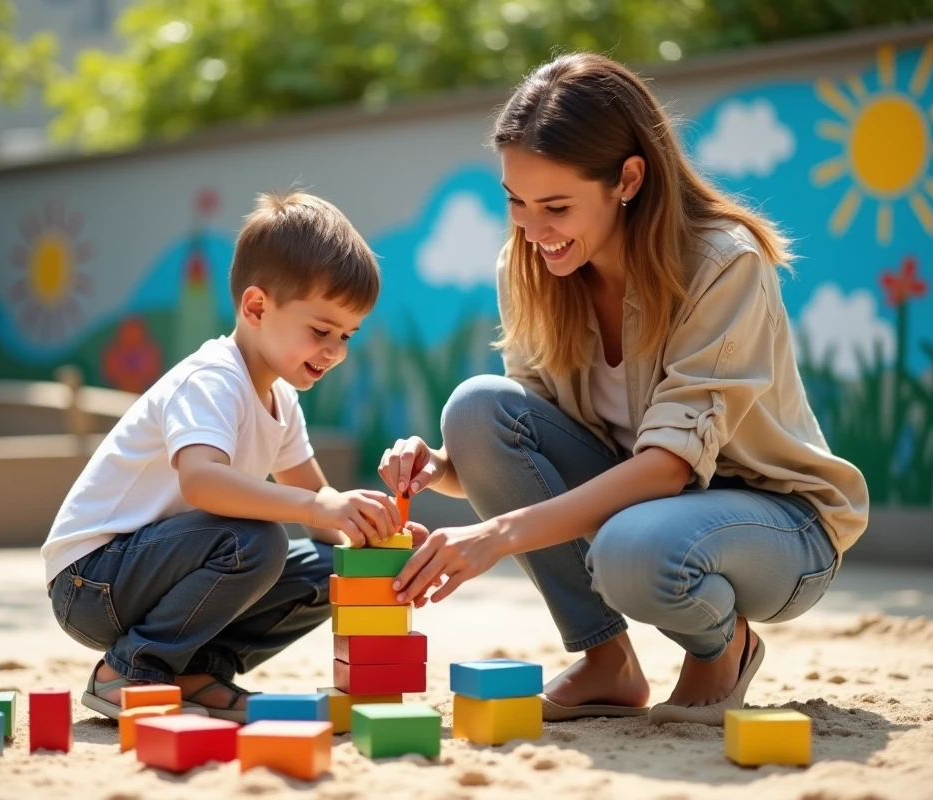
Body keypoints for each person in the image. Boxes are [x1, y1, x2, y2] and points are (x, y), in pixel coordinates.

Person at [379, 53, 870, 727]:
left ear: (628, 179)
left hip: (780, 527)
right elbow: (529, 452)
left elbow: (668, 468)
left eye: (555, 206)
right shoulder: (531, 263)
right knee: (475, 408)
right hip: (646, 513)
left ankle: (723, 645)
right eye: (515, 201)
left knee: (631, 549)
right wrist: (443, 468)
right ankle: (608, 662)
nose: (531, 228)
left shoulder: (724, 263)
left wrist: (493, 536)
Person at [43, 191, 416, 722]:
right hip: (91, 580)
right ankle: (129, 669)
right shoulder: (213, 379)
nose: (336, 351)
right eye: (321, 331)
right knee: (256, 541)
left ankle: (195, 671)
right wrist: (315, 510)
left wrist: (378, 534)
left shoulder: (281, 398)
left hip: (150, 573)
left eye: (348, 335)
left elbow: (317, 499)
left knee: (330, 566)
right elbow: (202, 482)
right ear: (257, 307)